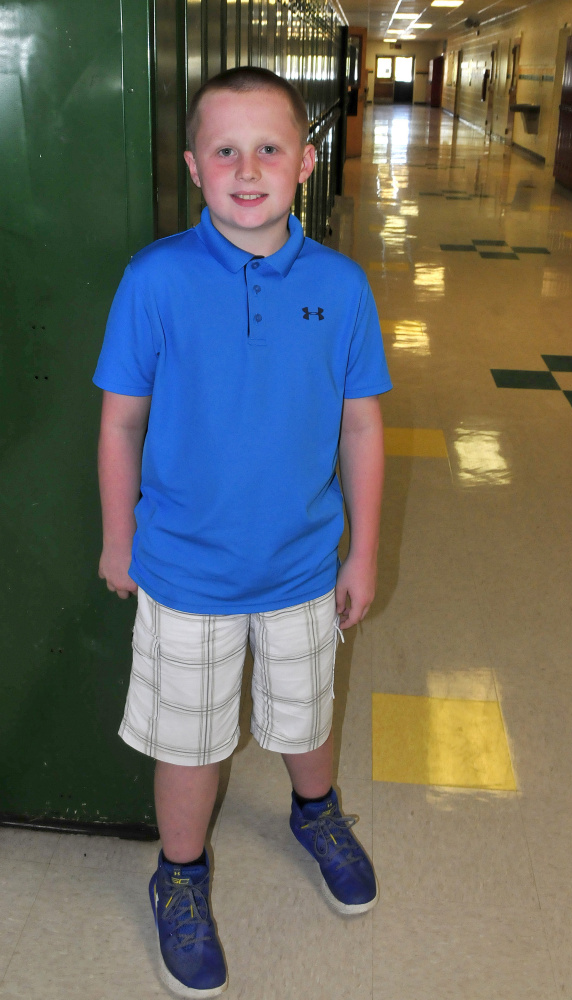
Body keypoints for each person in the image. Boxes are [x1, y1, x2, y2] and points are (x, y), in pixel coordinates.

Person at [94, 66, 391, 999]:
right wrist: (117, 538)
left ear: (306, 161)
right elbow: (119, 424)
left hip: (303, 564)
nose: (247, 167)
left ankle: (316, 811)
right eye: (225, 150)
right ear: (194, 166)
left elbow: (360, 426)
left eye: (269, 147)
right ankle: (179, 876)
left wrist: (364, 551)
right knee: (191, 742)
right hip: (185, 569)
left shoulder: (340, 288)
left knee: (306, 714)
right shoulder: (156, 279)